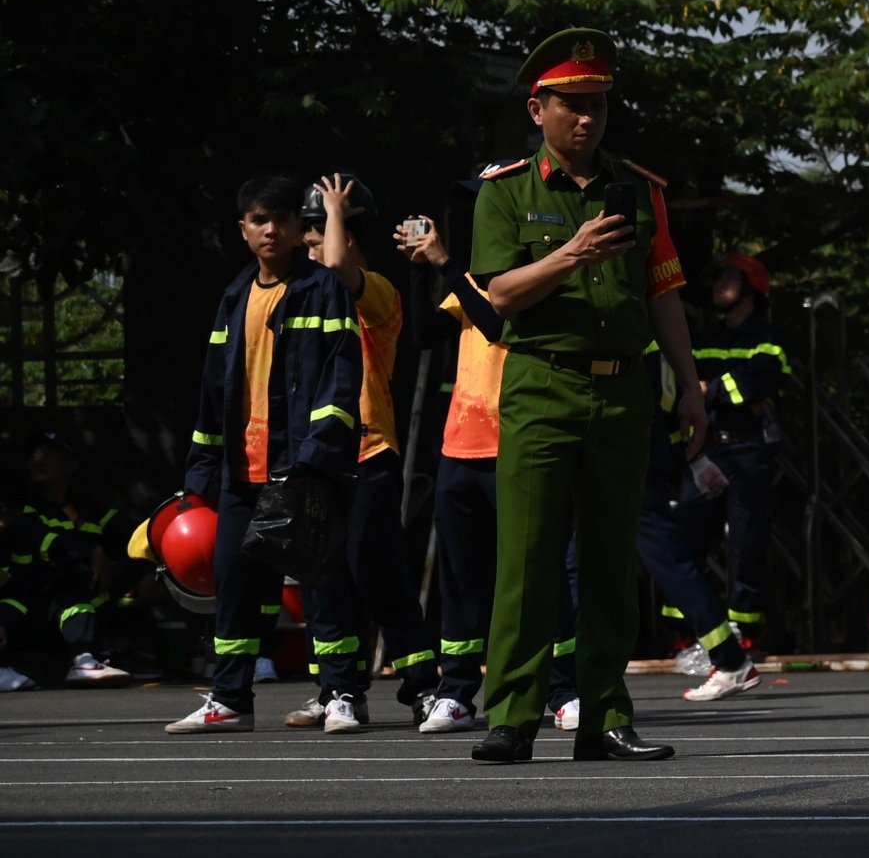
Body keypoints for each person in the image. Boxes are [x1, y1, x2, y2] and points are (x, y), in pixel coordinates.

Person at [466, 27, 704, 764]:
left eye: (598, 105)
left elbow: (664, 291)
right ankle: (512, 714)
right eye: (572, 105)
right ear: (538, 109)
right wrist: (571, 255)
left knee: (610, 563)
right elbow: (498, 294)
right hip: (542, 385)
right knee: (528, 559)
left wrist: (689, 388)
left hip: (624, 390)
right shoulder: (505, 192)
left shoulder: (637, 190)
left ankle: (604, 715)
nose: (587, 119)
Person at [166, 174, 365, 734]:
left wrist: (317, 454)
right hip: (240, 471)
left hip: (301, 466)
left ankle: (341, 694)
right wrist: (201, 474)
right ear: (243, 230)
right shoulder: (233, 297)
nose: (271, 229)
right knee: (234, 585)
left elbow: (340, 375)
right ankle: (230, 698)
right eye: (259, 219)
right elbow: (212, 393)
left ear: (300, 227)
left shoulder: (324, 288)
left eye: (281, 219)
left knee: (321, 583)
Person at [394, 198, 581, 734]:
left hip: (517, 445)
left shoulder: (531, 279)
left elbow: (494, 325)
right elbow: (425, 338)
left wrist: (445, 264)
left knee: (537, 573)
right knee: (461, 579)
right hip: (460, 449)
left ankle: (563, 689)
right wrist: (416, 272)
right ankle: (455, 692)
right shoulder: (472, 278)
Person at [281, 173, 440, 732]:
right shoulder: (294, 301)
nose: (312, 249)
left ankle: (423, 687)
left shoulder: (375, 292)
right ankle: (339, 690)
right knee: (322, 579)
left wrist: (333, 211)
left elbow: (335, 270)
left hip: (369, 450)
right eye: (308, 238)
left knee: (377, 573)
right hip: (313, 457)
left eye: (322, 236)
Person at [634, 342, 760, 702]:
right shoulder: (651, 333)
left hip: (627, 445)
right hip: (642, 443)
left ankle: (730, 657)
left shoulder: (628, 328)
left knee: (661, 550)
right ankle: (729, 656)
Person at [682, 251, 787, 653]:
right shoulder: (705, 337)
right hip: (705, 452)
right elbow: (687, 382)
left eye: (729, 278)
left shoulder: (768, 338)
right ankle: (688, 629)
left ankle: (743, 631)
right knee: (688, 536)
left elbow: (759, 383)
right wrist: (717, 392)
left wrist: (710, 391)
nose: (719, 286)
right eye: (718, 278)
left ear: (751, 289)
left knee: (746, 543)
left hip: (748, 453)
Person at [0, 432, 137, 687]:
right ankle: (84, 657)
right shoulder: (24, 508)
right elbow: (47, 541)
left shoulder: (89, 509)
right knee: (64, 595)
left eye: (49, 453)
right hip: (27, 609)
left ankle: (98, 657)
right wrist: (92, 551)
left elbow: (136, 536)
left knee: (89, 592)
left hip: (63, 608)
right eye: (34, 454)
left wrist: (149, 571)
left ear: (71, 465)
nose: (38, 459)